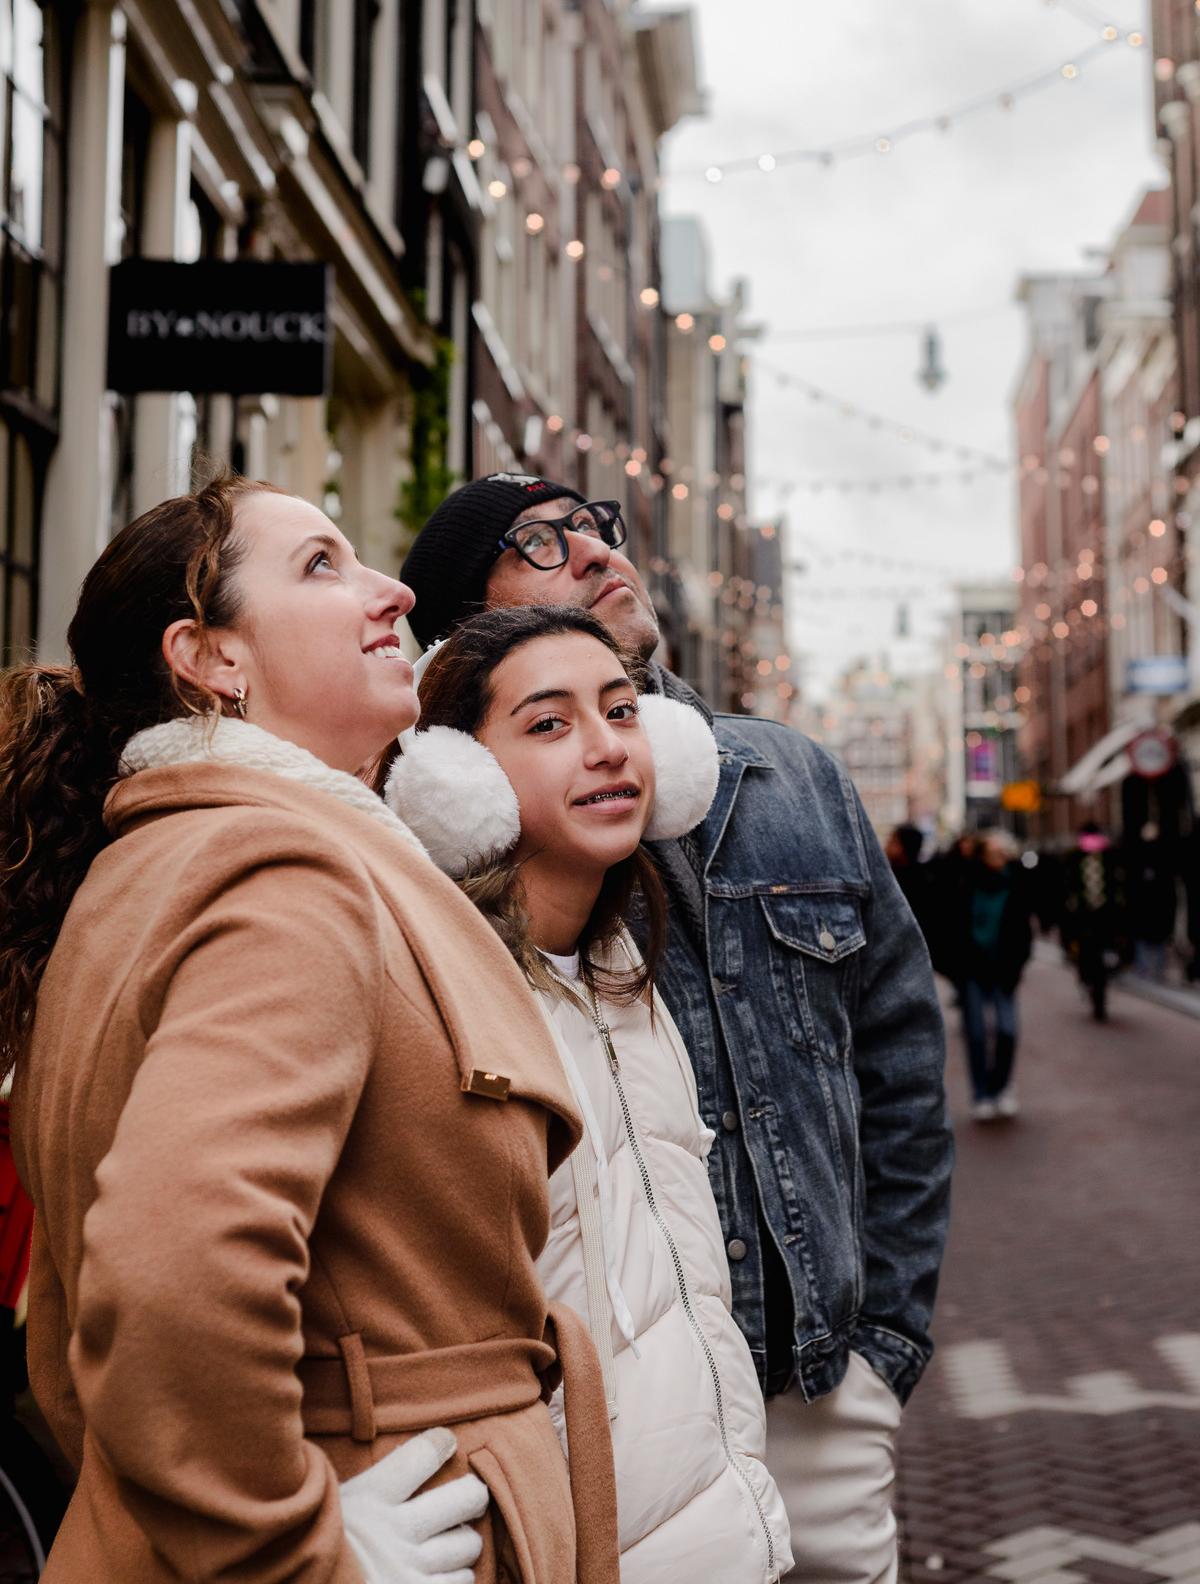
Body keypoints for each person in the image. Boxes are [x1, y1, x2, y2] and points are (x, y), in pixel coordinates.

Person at [0, 478, 619, 1584]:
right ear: (213, 658)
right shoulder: (287, 874)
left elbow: (67, 1329)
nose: (394, 589)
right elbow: (162, 1280)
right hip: (390, 1514)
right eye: (322, 565)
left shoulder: (147, 864)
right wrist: (298, 1551)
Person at [400, 475, 954, 1584]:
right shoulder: (429, 833)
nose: (601, 549)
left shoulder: (793, 778)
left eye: (601, 524)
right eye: (543, 542)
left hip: (815, 1384)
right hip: (605, 1412)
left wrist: (880, 1347)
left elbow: (901, 1056)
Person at [386, 605, 794, 1583]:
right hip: (559, 1539)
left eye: (621, 711)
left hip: (718, 1522)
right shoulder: (431, 994)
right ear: (457, 778)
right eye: (550, 723)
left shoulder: (624, 966)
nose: (609, 748)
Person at [938, 828, 1033, 1121]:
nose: (1000, 858)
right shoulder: (965, 884)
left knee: (1008, 1030)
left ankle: (1001, 1086)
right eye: (994, 852)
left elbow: (1023, 932)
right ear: (982, 856)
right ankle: (981, 1094)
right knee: (976, 1034)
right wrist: (955, 966)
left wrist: (1017, 964)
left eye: (1003, 853)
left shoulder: (1014, 885)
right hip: (972, 970)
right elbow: (951, 926)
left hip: (1003, 970)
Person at [1060, 823, 1127, 1021]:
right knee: (1086, 954)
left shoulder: (1110, 857)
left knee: (1104, 953)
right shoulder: (1074, 858)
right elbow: (1067, 886)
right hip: (1083, 918)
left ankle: (1101, 986)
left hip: (1105, 917)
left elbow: (1118, 885)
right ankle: (1089, 979)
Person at [885, 823, 931, 939]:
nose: (887, 846)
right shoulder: (921, 876)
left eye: (892, 841)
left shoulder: (912, 883)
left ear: (903, 847)